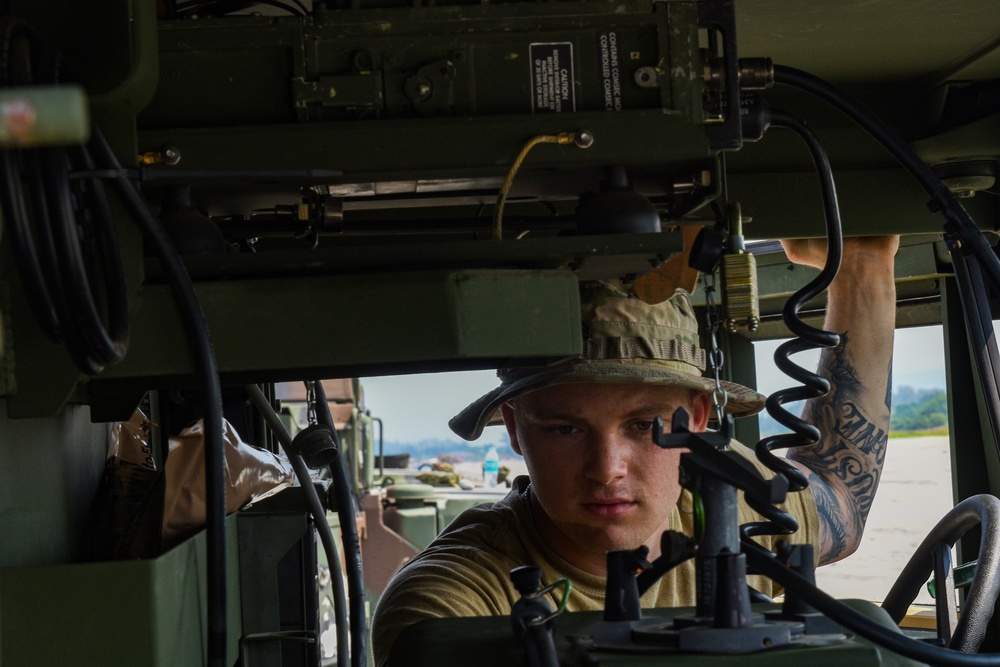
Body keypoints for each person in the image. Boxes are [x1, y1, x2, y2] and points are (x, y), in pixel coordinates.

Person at [371, 236, 899, 666]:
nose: (607, 470)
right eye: (564, 430)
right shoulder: (450, 603)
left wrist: (863, 261)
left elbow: (841, 502)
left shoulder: (731, 509)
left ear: (696, 421)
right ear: (515, 428)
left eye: (646, 426)